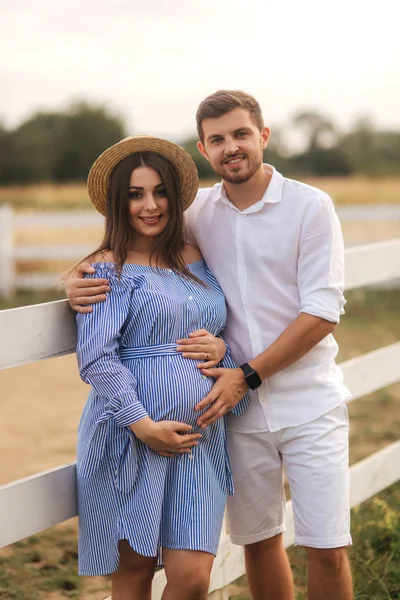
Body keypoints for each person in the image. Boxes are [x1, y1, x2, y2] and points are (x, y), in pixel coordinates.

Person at [67, 91, 353, 600]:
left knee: (326, 546)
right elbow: (128, 253)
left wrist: (236, 364)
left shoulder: (308, 206)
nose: (231, 148)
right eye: (217, 139)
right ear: (203, 149)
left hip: (296, 401)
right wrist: (74, 278)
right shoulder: (198, 211)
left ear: (263, 136)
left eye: (241, 134)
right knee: (259, 542)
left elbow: (322, 312)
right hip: (228, 418)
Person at [73, 135, 249, 600]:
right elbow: (95, 358)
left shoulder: (196, 259)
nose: (149, 205)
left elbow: (218, 329)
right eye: (135, 194)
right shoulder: (106, 270)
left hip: (199, 441)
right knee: (133, 569)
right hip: (132, 438)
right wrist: (143, 425)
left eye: (159, 192)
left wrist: (220, 349)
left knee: (191, 578)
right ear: (118, 202)